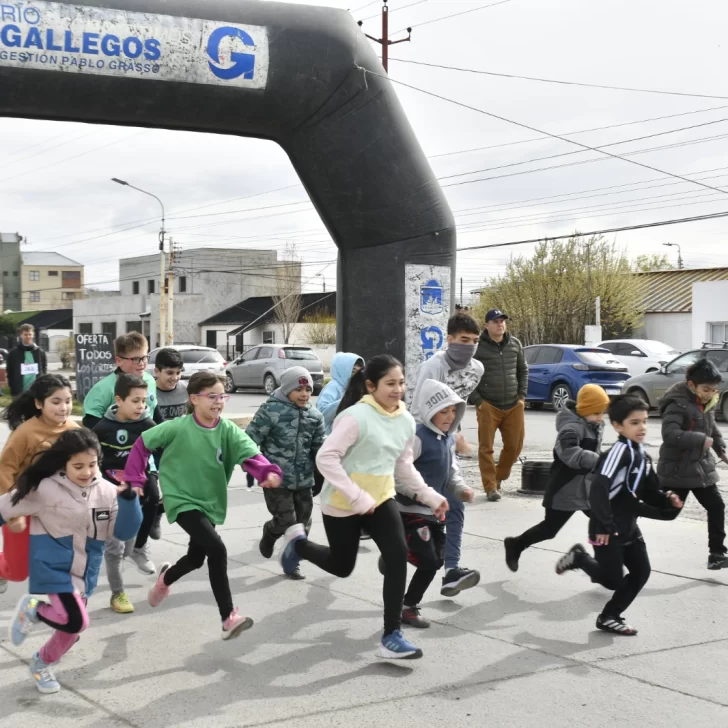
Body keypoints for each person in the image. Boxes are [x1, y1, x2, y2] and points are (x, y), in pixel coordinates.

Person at [278, 355, 449, 660]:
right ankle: (298, 545)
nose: (398, 390)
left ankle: (391, 635)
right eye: (390, 384)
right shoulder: (355, 417)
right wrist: (356, 496)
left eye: (401, 383)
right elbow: (325, 458)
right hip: (343, 503)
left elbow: (403, 465)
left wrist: (429, 495)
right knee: (342, 567)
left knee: (397, 555)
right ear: (371, 386)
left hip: (382, 499)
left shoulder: (405, 420)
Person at [122, 371, 283, 640]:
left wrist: (266, 472)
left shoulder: (227, 430)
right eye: (212, 396)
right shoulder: (177, 427)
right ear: (194, 399)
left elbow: (250, 453)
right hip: (181, 500)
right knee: (217, 549)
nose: (218, 401)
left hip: (211, 502)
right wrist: (135, 477)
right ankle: (228, 616)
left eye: (222, 396)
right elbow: (143, 444)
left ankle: (165, 578)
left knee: (196, 558)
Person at [1, 428, 142, 694]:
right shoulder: (44, 489)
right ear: (63, 463)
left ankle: (41, 663)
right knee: (76, 620)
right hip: (53, 567)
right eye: (78, 466)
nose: (87, 471)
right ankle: (34, 609)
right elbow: (5, 507)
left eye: (92, 464)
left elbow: (123, 533)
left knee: (70, 632)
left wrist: (129, 502)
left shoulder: (107, 492)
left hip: (85, 570)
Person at [554, 395, 683, 636]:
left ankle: (609, 616)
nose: (642, 427)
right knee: (612, 581)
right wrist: (604, 524)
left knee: (641, 572)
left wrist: (667, 499)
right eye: (634, 422)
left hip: (629, 527)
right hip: (605, 528)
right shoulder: (619, 452)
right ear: (617, 426)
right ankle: (580, 558)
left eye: (644, 421)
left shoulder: (642, 456)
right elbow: (599, 489)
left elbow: (648, 491)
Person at [409, 312, 483, 596]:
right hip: (425, 440)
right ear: (449, 339)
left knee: (455, 505)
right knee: (419, 508)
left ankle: (451, 570)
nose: (469, 346)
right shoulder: (433, 366)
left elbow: (458, 405)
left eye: (475, 341)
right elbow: (419, 410)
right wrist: (445, 434)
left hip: (447, 440)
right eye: (464, 340)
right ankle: (402, 550)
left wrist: (453, 433)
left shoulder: (477, 369)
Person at [393, 380, 476, 628]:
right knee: (428, 561)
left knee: (437, 561)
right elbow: (399, 475)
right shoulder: (416, 437)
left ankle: (396, 555)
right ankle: (407, 606)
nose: (450, 417)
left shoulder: (448, 439)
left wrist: (461, 490)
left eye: (453, 411)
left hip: (433, 511)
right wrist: (421, 495)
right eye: (444, 411)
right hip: (409, 510)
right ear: (429, 410)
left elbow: (451, 472)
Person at [504, 384, 609, 572]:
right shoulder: (570, 428)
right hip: (565, 488)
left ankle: (603, 566)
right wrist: (598, 460)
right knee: (549, 529)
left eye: (603, 412)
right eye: (596, 413)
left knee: (605, 522)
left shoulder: (593, 424)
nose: (601, 417)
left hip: (588, 489)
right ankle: (515, 545)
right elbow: (569, 453)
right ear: (584, 410)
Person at [0, 374, 78, 594]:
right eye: (56, 402)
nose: (64, 408)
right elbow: (5, 469)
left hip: (56, 512)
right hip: (22, 505)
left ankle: (65, 618)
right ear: (38, 403)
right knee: (17, 571)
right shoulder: (24, 433)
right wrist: (13, 513)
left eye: (68, 401)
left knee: (63, 567)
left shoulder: (74, 432)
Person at [247, 367, 325, 579]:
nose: (304, 394)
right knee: (285, 522)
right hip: (276, 481)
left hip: (304, 480)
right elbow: (249, 441)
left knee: (303, 525)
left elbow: (320, 449)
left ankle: (292, 563)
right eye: (298, 389)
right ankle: (270, 532)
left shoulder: (315, 416)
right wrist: (253, 468)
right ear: (287, 388)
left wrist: (323, 473)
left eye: (308, 389)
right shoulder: (270, 411)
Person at [93, 374, 160, 613]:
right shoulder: (103, 428)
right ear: (119, 400)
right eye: (135, 401)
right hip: (110, 494)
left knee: (127, 547)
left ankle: (138, 546)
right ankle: (117, 594)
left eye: (144, 401)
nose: (141, 406)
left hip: (136, 492)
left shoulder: (147, 424)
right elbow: (91, 458)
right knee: (115, 550)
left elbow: (167, 443)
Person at [657, 358, 728, 569]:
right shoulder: (677, 403)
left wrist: (721, 449)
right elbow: (670, 434)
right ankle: (621, 524)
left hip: (700, 468)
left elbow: (711, 427)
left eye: (714, 390)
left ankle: (716, 554)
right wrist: (700, 440)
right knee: (667, 513)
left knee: (716, 506)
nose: (711, 394)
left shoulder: (707, 400)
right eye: (706, 389)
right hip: (677, 470)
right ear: (691, 385)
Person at [470, 309, 528, 502]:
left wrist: (521, 397)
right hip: (488, 405)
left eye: (502, 321)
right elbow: (467, 376)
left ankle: (498, 477)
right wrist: (479, 402)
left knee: (514, 446)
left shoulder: (515, 344)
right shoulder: (477, 348)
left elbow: (523, 371)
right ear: (486, 325)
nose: (500, 324)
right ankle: (490, 487)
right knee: (486, 448)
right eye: (495, 321)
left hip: (513, 404)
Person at [82, 332, 160, 429]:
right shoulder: (102, 389)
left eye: (144, 358)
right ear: (119, 361)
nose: (142, 363)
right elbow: (90, 421)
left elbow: (155, 411)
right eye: (135, 359)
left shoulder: (150, 380)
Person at [150, 347, 188, 540]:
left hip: (176, 449)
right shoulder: (148, 391)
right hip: (152, 449)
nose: (174, 377)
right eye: (169, 373)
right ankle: (148, 513)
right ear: (156, 371)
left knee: (177, 489)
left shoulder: (186, 390)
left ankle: (157, 512)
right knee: (151, 490)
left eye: (178, 373)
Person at [7, 324, 48, 397]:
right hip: (19, 390)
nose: (28, 337)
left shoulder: (39, 352)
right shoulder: (14, 353)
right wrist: (12, 386)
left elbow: (44, 369)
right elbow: (10, 371)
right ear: (21, 335)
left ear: (33, 335)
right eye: (25, 334)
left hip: (36, 389)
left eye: (30, 334)